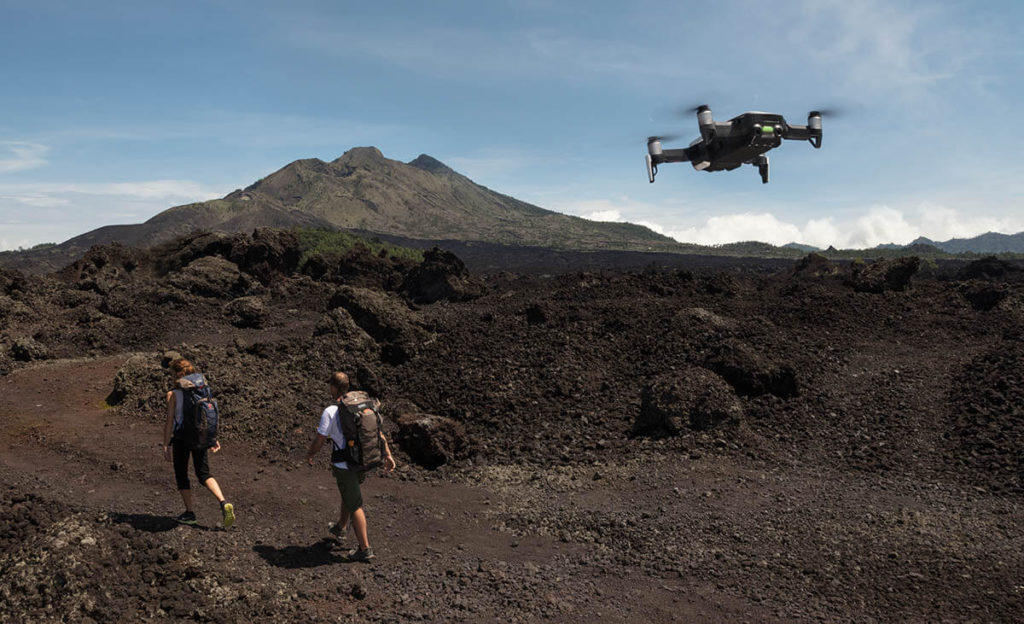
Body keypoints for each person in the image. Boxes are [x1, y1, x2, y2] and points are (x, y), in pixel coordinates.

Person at [306, 372, 395, 561]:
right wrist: (387, 454)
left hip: (344, 464)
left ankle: (365, 548)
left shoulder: (331, 411)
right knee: (349, 494)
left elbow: (320, 439)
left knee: (355, 504)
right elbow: (378, 432)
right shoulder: (359, 406)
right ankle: (340, 527)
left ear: (333, 387)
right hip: (363, 460)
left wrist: (310, 453)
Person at [162, 358, 235, 528]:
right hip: (200, 436)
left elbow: (169, 422)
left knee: (182, 475)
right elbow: (206, 416)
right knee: (203, 474)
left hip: (181, 438)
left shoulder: (172, 394)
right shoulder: (203, 390)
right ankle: (223, 502)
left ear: (176, 374)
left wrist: (166, 445)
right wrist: (212, 438)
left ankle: (189, 513)